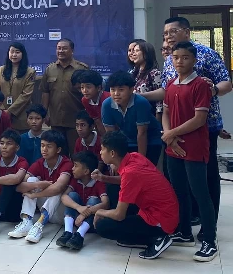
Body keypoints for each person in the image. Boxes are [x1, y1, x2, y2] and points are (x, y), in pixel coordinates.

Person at [143, 17, 232, 231]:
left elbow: (226, 82)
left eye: (172, 32)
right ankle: (187, 219)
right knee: (180, 178)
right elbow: (166, 92)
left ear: (186, 32)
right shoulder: (169, 60)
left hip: (205, 124)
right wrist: (140, 96)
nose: (168, 36)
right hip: (174, 125)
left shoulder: (206, 54)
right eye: (165, 34)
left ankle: (208, 220)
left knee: (205, 176)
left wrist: (211, 91)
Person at [163, 41, 217, 262]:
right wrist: (169, 137)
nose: (179, 61)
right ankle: (184, 232)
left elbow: (199, 119)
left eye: (185, 57)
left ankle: (209, 241)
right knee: (178, 191)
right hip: (173, 147)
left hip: (193, 147)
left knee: (200, 193)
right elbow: (165, 112)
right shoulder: (170, 84)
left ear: (194, 60)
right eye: (176, 57)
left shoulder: (200, 85)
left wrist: (171, 134)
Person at [94, 131, 178, 260]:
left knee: (103, 226)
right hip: (161, 210)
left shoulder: (130, 173)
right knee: (112, 188)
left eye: (102, 149)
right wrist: (103, 178)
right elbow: (126, 181)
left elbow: (119, 215)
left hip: (162, 220)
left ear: (112, 153)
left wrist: (100, 212)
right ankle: (133, 236)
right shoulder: (134, 156)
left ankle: (157, 238)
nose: (100, 152)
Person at [9, 130, 72, 243]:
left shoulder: (66, 163)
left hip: (60, 212)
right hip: (45, 207)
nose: (44, 149)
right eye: (42, 145)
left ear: (58, 149)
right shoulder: (39, 163)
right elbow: (19, 187)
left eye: (49, 146)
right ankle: (26, 222)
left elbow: (58, 188)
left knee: (57, 189)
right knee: (32, 180)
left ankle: (38, 225)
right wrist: (37, 184)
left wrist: (35, 195)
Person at [101, 71, 162, 165]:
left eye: (121, 90)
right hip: (127, 140)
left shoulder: (141, 103)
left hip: (151, 140)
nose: (116, 93)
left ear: (131, 89)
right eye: (112, 90)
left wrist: (141, 160)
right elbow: (111, 135)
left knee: (143, 169)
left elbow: (142, 133)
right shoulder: (106, 104)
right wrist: (114, 161)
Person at [41, 38, 89, 156]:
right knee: (58, 153)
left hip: (76, 121)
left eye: (64, 48)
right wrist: (44, 113)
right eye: (59, 48)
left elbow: (89, 94)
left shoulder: (82, 69)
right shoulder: (50, 69)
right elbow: (45, 92)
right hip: (56, 120)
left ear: (72, 50)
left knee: (76, 153)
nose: (61, 51)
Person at [56, 151, 109, 250]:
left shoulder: (98, 183)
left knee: (94, 200)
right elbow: (64, 197)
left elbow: (106, 203)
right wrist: (79, 208)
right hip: (76, 221)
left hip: (92, 223)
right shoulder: (75, 180)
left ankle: (80, 236)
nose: (72, 169)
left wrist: (84, 214)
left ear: (86, 171)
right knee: (71, 195)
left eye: (76, 166)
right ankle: (68, 232)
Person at [0, 42, 36, 133]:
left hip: (21, 114)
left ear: (23, 54)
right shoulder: (1, 69)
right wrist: (2, 110)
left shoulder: (30, 72)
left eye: (17, 52)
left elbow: (26, 95)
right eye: (12, 52)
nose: (14, 55)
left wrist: (10, 111)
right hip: (2, 114)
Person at [129, 41, 162, 119]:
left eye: (137, 51)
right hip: (134, 116)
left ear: (146, 54)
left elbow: (159, 103)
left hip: (149, 117)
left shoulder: (155, 73)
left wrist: (158, 123)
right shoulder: (133, 73)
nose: (133, 53)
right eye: (133, 51)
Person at [79, 70, 110, 136]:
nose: (84, 90)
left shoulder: (108, 99)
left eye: (88, 87)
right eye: (82, 87)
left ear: (99, 88)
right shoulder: (85, 100)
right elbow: (97, 121)